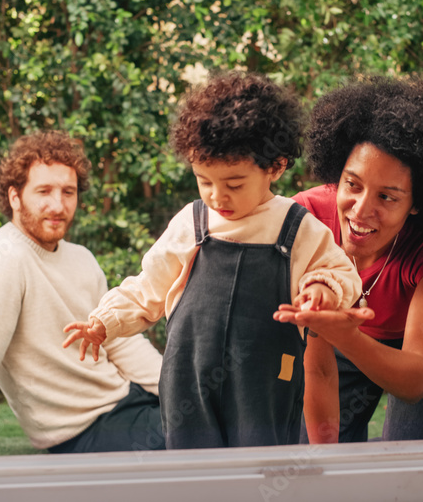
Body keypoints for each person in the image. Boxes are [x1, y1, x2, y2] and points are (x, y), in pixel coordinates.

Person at [64, 72, 362, 449]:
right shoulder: (191, 223)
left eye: (234, 184)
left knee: (261, 467)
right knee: (192, 472)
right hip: (188, 380)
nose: (217, 196)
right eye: (205, 181)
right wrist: (103, 323)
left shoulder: (298, 228)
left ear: (276, 166)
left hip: (267, 384)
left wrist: (320, 288)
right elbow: (147, 289)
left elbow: (342, 275)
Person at [273, 76, 423, 443]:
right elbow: (317, 363)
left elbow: (415, 380)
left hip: (420, 341)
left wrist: (343, 333)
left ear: (417, 203)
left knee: (406, 473)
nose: (361, 210)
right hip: (344, 335)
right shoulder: (306, 220)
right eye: (352, 185)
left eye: (387, 197)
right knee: (326, 445)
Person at [0, 130, 165, 457]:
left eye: (68, 192)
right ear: (15, 197)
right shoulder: (1, 261)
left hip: (128, 402)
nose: (58, 205)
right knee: (213, 440)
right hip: (85, 429)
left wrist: (174, 391)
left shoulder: (81, 259)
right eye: (44, 191)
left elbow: (120, 343)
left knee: (225, 418)